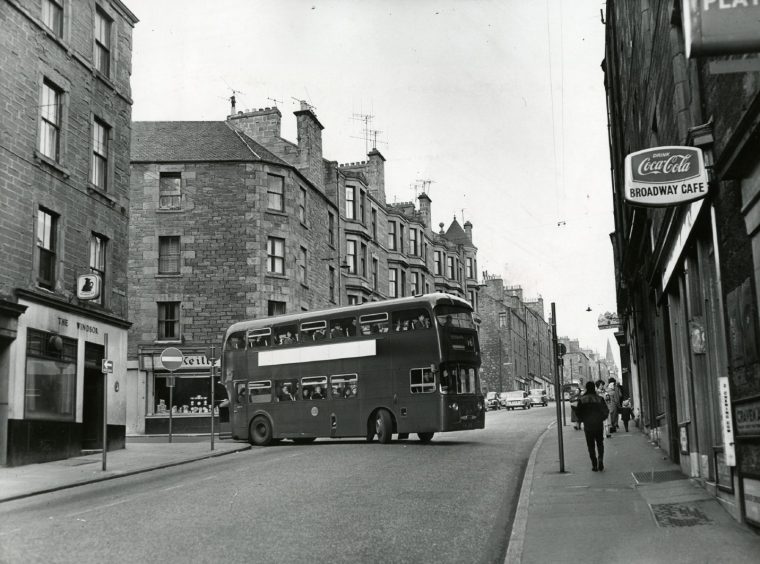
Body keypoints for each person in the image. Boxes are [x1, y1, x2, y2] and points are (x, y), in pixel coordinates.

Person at [576, 380, 610, 472]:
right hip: (598, 424)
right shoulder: (599, 399)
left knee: (590, 445)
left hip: (588, 426)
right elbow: (606, 411)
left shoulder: (582, 399)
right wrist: (601, 418)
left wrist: (583, 420)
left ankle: (594, 464)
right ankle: (600, 459)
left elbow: (578, 413)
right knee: (600, 443)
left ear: (587, 388)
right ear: (594, 388)